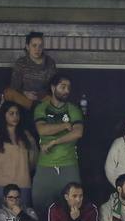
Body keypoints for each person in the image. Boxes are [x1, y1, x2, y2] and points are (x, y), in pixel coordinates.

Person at [31, 75, 85, 210]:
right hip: (45, 164)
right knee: (40, 205)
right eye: (63, 87)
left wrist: (54, 142)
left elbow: (78, 132)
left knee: (73, 205)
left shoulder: (73, 109)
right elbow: (42, 129)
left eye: (68, 88)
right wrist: (64, 126)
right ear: (53, 87)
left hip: (69, 163)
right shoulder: (41, 108)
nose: (66, 90)